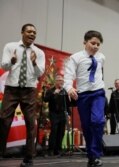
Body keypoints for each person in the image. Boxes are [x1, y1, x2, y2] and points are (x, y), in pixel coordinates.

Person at [0, 23, 45, 167]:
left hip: (29, 90)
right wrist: (12, 61)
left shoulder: (39, 52)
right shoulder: (10, 46)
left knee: (31, 123)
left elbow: (40, 73)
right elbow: (4, 66)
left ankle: (28, 158)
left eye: (34, 32)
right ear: (22, 32)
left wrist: (34, 63)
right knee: (4, 120)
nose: (32, 34)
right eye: (29, 31)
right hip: (12, 88)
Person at [64, 30, 105, 167]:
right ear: (85, 42)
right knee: (86, 126)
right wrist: (69, 88)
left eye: (98, 44)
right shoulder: (75, 57)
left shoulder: (101, 58)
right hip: (83, 95)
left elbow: (99, 73)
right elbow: (68, 75)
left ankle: (96, 153)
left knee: (98, 121)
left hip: (98, 92)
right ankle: (91, 156)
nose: (96, 46)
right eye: (93, 43)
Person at [43, 74, 70, 156]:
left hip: (62, 113)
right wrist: (54, 93)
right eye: (59, 80)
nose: (61, 82)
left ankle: (58, 149)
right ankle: (51, 149)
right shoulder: (50, 90)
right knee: (54, 130)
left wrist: (69, 114)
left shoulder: (64, 91)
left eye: (62, 80)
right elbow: (45, 99)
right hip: (54, 113)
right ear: (55, 82)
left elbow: (67, 104)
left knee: (61, 131)